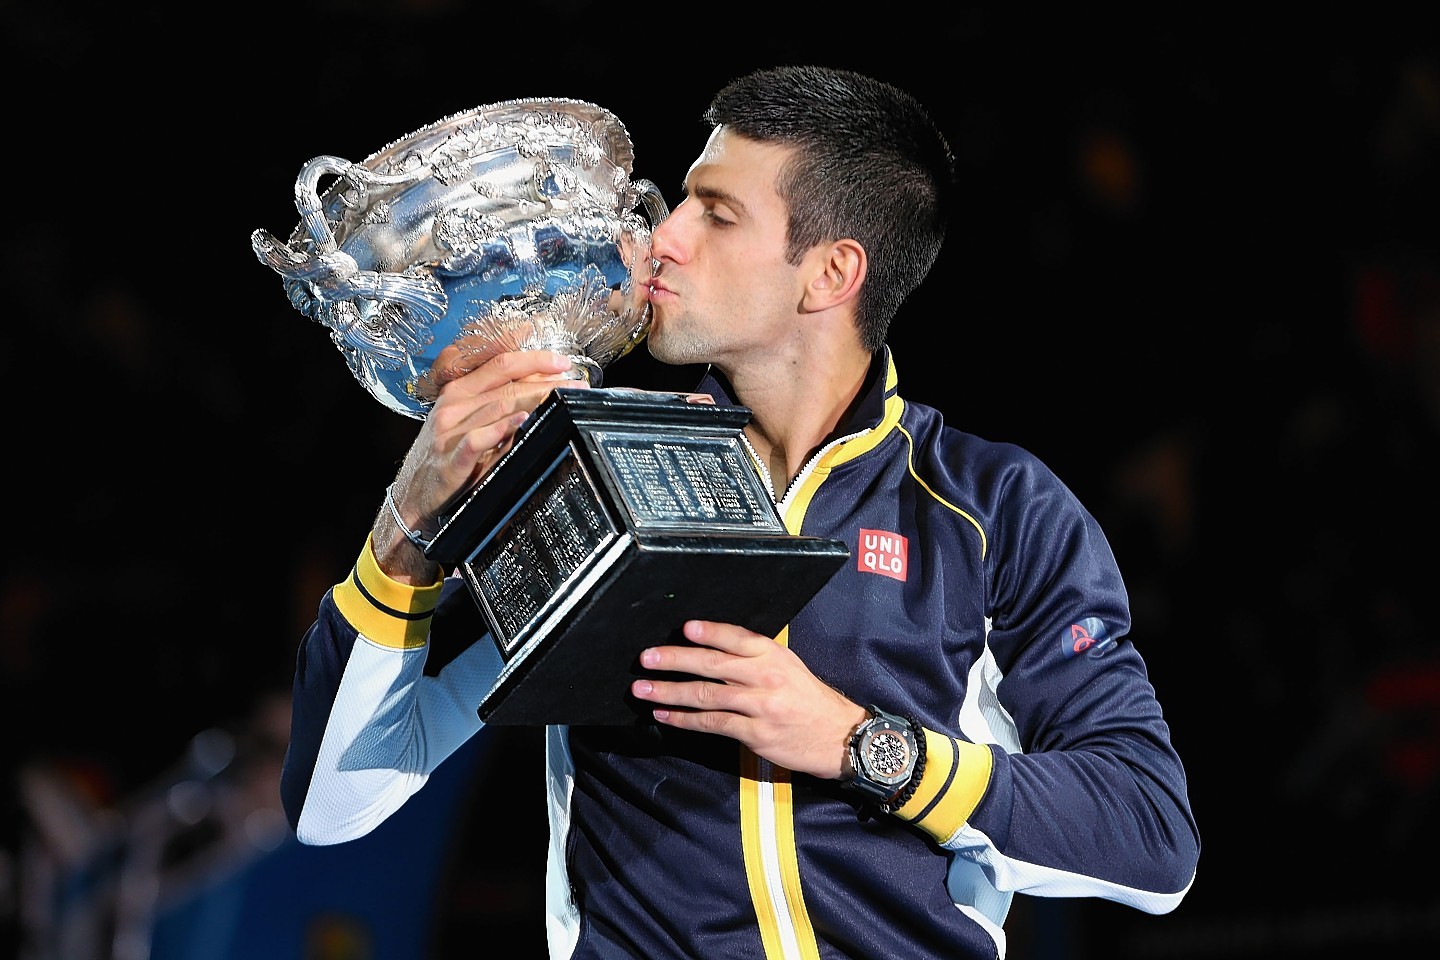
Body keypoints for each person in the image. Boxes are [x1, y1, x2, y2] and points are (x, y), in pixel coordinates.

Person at [279, 64, 1200, 959]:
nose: (662, 238)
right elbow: (333, 804)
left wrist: (856, 743)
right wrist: (406, 526)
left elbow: (1150, 836)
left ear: (831, 273)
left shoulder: (993, 508)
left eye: (716, 214)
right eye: (681, 200)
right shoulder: (593, 471)